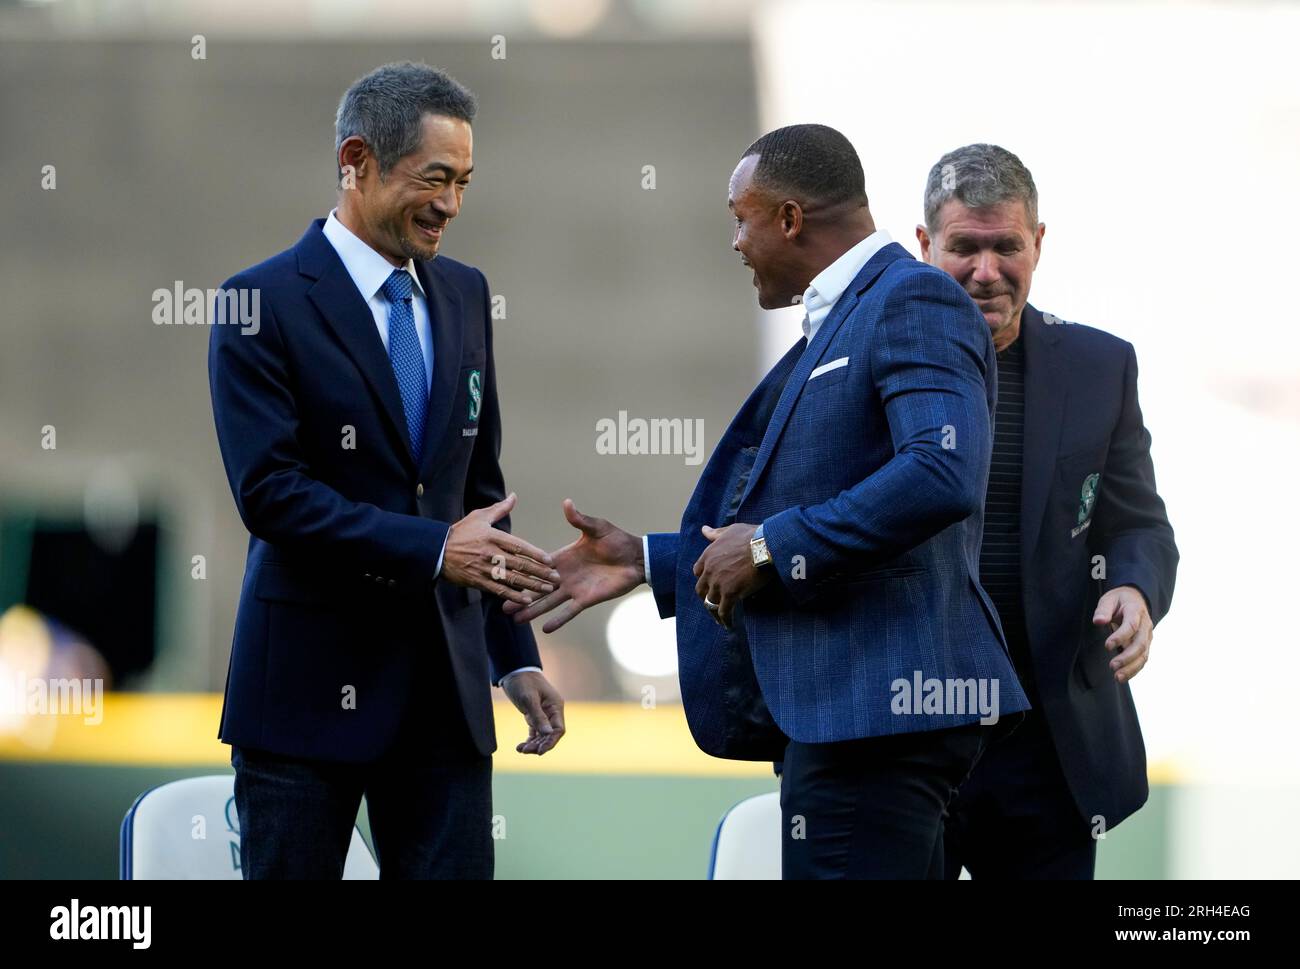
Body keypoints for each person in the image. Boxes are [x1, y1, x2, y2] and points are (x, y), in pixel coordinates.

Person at [509, 124, 1028, 879]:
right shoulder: (845, 316)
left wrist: (766, 547)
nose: (734, 242)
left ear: (788, 218)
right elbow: (811, 505)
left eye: (739, 217)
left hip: (877, 717)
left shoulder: (913, 296)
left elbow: (940, 469)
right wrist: (648, 559)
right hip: (847, 719)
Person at [207, 62, 565, 879]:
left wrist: (516, 655)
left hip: (445, 702)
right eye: (435, 178)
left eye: (465, 181)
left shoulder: (467, 295)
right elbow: (271, 494)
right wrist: (437, 549)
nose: (452, 205)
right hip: (302, 699)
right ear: (357, 161)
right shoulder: (253, 304)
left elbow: (479, 493)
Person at [917, 143, 1178, 879]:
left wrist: (1134, 586)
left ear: (1039, 242)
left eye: (1007, 246)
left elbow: (1138, 524)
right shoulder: (872, 360)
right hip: (908, 745)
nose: (986, 270)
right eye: (964, 247)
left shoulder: (1100, 367)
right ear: (923, 246)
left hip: (1050, 752)